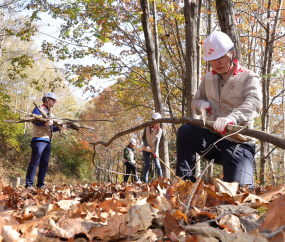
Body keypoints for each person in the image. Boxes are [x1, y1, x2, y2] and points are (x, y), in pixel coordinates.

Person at [176, 31, 262, 189]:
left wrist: (232, 118)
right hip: (212, 140)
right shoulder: (207, 78)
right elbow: (195, 101)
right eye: (212, 59)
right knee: (186, 130)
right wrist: (201, 105)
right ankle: (185, 185)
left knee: (238, 193)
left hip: (239, 144)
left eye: (221, 56)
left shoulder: (248, 78)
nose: (217, 62)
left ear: (232, 53)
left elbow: (254, 103)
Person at [25, 92, 67, 189]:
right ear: (47, 99)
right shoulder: (38, 109)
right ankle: (29, 184)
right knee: (35, 162)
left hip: (47, 141)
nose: (55, 102)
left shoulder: (51, 114)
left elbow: (51, 127)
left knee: (44, 163)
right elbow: (35, 122)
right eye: (53, 100)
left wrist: (61, 128)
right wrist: (45, 123)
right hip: (38, 139)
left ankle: (40, 184)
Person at [142, 112, 163, 182]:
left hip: (154, 149)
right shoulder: (147, 127)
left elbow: (157, 141)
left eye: (156, 120)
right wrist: (146, 146)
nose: (155, 121)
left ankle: (161, 181)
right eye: (154, 119)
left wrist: (155, 151)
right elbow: (143, 137)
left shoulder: (160, 130)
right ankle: (145, 182)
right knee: (147, 165)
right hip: (146, 149)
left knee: (158, 165)